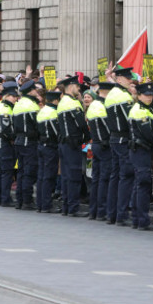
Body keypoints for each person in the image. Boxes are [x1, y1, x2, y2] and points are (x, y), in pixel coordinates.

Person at [105, 67, 135, 225]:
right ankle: (122, 214)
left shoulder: (112, 94)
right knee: (125, 177)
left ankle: (112, 214)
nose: (130, 80)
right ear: (119, 79)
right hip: (123, 139)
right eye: (128, 78)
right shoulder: (123, 96)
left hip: (114, 138)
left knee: (115, 177)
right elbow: (130, 120)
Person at [127, 82, 153, 230]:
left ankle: (136, 218)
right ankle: (142, 220)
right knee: (143, 184)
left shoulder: (145, 109)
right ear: (139, 96)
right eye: (146, 95)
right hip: (141, 150)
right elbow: (148, 134)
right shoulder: (140, 111)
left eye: (151, 95)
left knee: (139, 184)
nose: (149, 98)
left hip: (140, 150)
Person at [57, 76, 90, 217]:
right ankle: (73, 207)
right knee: (75, 175)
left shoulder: (62, 102)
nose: (79, 89)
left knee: (65, 176)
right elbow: (81, 124)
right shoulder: (73, 103)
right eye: (78, 86)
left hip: (63, 143)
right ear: (71, 86)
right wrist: (88, 137)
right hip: (73, 144)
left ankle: (66, 206)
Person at [86, 82, 113, 221]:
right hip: (105, 145)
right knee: (104, 178)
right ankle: (102, 210)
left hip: (95, 144)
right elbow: (109, 128)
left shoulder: (93, 105)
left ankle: (93, 210)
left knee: (96, 178)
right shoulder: (103, 106)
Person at [12, 80, 40, 210]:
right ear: (30, 91)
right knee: (29, 171)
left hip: (19, 140)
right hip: (29, 141)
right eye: (35, 89)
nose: (36, 91)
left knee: (21, 171)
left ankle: (19, 200)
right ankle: (27, 201)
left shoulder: (17, 104)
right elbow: (37, 124)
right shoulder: (32, 105)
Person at [0, 81, 18, 207]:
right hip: (5, 143)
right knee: (7, 171)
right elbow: (6, 130)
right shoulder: (5, 108)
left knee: (1, 171)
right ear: (7, 95)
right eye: (14, 96)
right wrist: (13, 138)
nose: (15, 99)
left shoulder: (0, 106)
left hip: (0, 143)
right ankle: (5, 198)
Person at [36, 90, 62, 213]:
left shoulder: (42, 111)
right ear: (56, 100)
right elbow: (57, 132)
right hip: (50, 147)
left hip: (41, 145)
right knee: (49, 176)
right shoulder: (54, 113)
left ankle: (40, 204)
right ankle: (46, 204)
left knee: (41, 176)